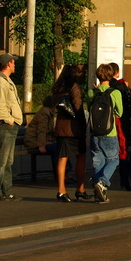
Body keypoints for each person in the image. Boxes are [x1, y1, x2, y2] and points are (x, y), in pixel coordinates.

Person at [87, 63, 123, 203]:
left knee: (98, 163)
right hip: (109, 132)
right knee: (113, 160)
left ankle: (99, 196)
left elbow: (90, 108)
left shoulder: (91, 92)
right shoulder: (115, 93)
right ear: (110, 75)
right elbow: (119, 113)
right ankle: (102, 183)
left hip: (94, 133)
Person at [0, 53, 23, 203]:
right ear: (8, 63)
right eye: (13, 62)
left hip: (11, 124)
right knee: (1, 160)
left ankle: (6, 190)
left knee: (8, 160)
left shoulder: (6, 80)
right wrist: (9, 120)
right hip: (5, 125)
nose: (15, 65)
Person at [52, 64, 88, 202]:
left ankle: (61, 190)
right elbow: (78, 107)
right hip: (74, 128)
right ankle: (80, 188)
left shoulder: (58, 88)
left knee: (62, 158)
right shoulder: (75, 87)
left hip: (61, 127)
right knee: (81, 157)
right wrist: (83, 126)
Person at [23, 96, 58, 184]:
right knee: (58, 149)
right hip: (34, 142)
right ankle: (60, 174)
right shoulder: (45, 113)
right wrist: (41, 145)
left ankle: (64, 173)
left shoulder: (46, 112)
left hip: (38, 140)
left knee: (61, 148)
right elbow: (41, 130)